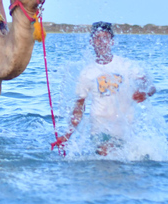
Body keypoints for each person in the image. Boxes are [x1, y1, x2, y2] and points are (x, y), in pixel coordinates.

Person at [52, 22, 156, 156]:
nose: (101, 42)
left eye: (105, 38)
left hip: (125, 131)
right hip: (100, 131)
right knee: (106, 154)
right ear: (91, 42)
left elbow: (151, 86)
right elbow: (79, 108)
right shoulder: (87, 73)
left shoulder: (126, 65)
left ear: (112, 42)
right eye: (97, 38)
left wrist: (145, 93)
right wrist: (67, 135)